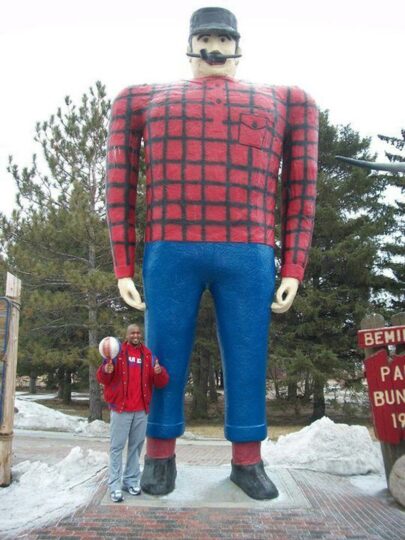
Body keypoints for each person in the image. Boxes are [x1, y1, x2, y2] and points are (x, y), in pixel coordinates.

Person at [105, 7, 318, 500]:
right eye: (206, 37)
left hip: (248, 249)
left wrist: (294, 264)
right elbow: (119, 182)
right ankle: (159, 456)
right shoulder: (140, 98)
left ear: (238, 45)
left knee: (247, 356)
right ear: (191, 44)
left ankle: (248, 459)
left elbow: (303, 186)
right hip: (170, 245)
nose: (215, 48)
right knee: (163, 354)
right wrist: (122, 261)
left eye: (224, 38)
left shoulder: (286, 101)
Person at [96, 324, 169, 502]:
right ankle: (114, 485)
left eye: (138, 333)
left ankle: (130, 481)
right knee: (116, 448)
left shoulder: (148, 355)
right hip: (121, 410)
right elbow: (102, 377)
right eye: (132, 333)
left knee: (135, 448)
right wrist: (106, 370)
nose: (135, 335)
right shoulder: (117, 354)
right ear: (126, 335)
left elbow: (161, 382)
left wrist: (159, 373)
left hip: (141, 410)